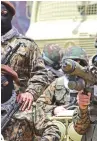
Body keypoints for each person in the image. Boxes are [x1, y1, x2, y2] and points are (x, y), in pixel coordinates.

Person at [1, 1, 58, 140]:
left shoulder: (27, 45)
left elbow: (41, 73)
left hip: (20, 107)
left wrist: (30, 93)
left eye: (2, 13)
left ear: (8, 15)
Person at [37, 46, 89, 116]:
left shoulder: (92, 84)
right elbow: (39, 105)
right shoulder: (58, 83)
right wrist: (54, 110)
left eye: (80, 64)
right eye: (70, 63)